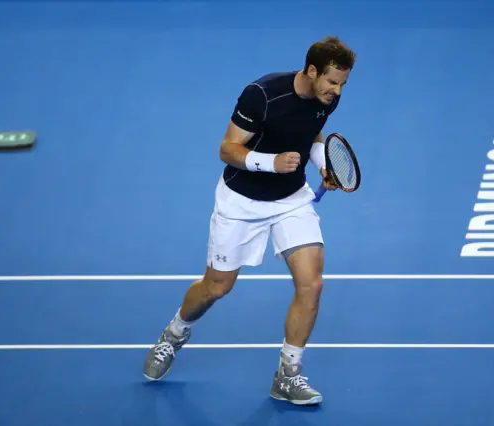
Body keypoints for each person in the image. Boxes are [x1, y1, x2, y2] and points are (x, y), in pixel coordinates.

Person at [143, 35, 356, 406]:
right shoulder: (261, 94)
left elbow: (312, 131)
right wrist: (269, 162)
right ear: (311, 71)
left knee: (312, 284)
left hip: (291, 201)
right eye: (332, 82)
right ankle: (175, 333)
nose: (337, 91)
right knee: (216, 288)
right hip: (241, 202)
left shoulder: (326, 98)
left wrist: (323, 164)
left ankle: (287, 375)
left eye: (342, 84)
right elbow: (227, 148)